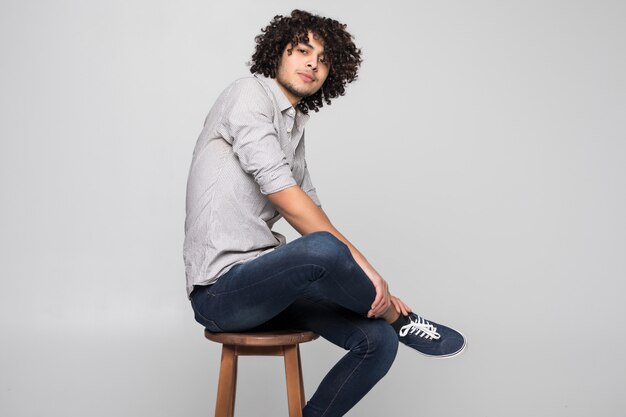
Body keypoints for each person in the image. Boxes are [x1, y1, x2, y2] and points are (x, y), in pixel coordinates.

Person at [184, 9, 466, 417]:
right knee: (324, 250)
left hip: (269, 287)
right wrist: (376, 287)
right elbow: (284, 196)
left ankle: (381, 333)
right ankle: (395, 317)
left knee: (378, 342)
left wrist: (370, 275)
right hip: (221, 293)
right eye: (302, 50)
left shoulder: (294, 127)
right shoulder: (248, 94)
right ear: (278, 54)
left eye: (323, 58)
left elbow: (314, 211)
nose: (313, 62)